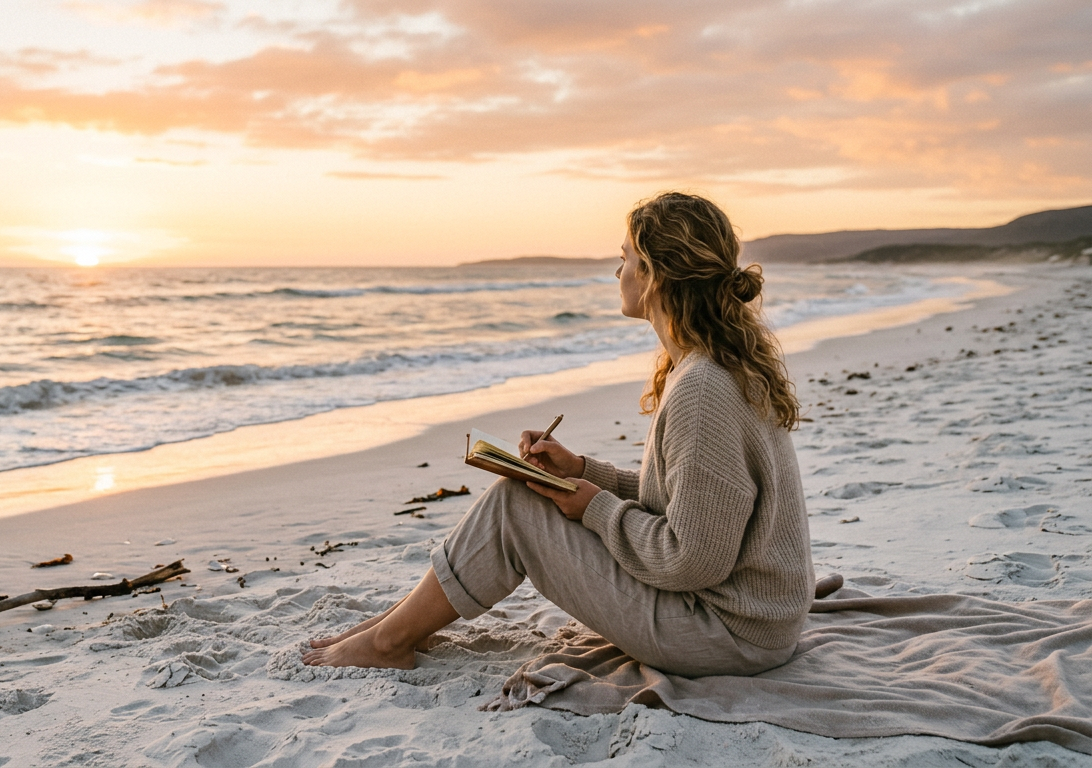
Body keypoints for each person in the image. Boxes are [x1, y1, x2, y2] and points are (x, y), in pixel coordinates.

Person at [302, 192, 813, 677]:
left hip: (725, 636)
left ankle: (389, 643)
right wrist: (580, 472)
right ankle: (398, 628)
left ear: (653, 275)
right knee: (523, 494)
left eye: (626, 258)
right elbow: (692, 502)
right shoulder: (707, 367)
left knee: (515, 507)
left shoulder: (702, 388)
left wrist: (592, 505)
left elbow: (691, 559)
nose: (618, 271)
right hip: (749, 625)